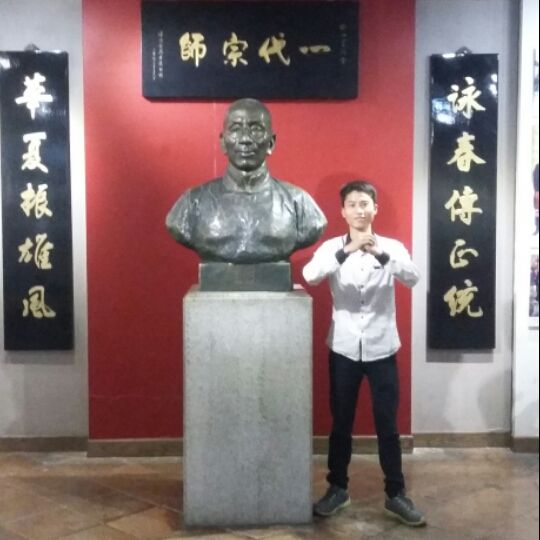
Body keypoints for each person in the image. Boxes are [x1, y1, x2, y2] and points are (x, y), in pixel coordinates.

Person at [302, 180, 426, 527]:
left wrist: (378, 253)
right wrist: (347, 250)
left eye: (365, 204)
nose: (359, 210)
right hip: (344, 347)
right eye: (353, 204)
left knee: (387, 424)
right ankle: (337, 489)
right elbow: (311, 275)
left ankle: (396, 494)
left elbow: (412, 277)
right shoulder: (331, 247)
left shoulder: (391, 247)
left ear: (375, 209)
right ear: (343, 211)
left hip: (381, 347)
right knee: (341, 423)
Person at [166, 98, 326, 263]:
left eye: (256, 129)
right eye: (235, 129)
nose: (245, 139)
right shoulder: (192, 203)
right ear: (223, 142)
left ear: (271, 142)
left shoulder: (298, 202)